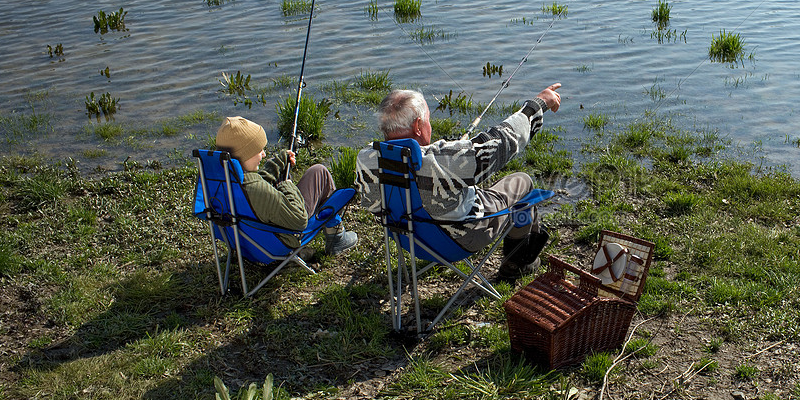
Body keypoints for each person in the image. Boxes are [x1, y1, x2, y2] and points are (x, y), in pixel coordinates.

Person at [355, 83, 562, 279]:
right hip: (460, 239)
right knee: (522, 181)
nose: (430, 124)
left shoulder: (365, 160)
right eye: (428, 119)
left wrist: (452, 151)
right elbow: (502, 142)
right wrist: (538, 104)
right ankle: (517, 263)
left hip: (410, 240)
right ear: (418, 126)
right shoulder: (443, 162)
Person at [215, 116, 358, 255]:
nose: (264, 154)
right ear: (245, 154)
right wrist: (286, 185)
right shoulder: (255, 188)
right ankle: (336, 237)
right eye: (259, 150)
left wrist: (277, 163)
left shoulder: (219, 178)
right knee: (319, 172)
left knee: (306, 173)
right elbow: (299, 220)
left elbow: (256, 185)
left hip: (245, 241)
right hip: (280, 239)